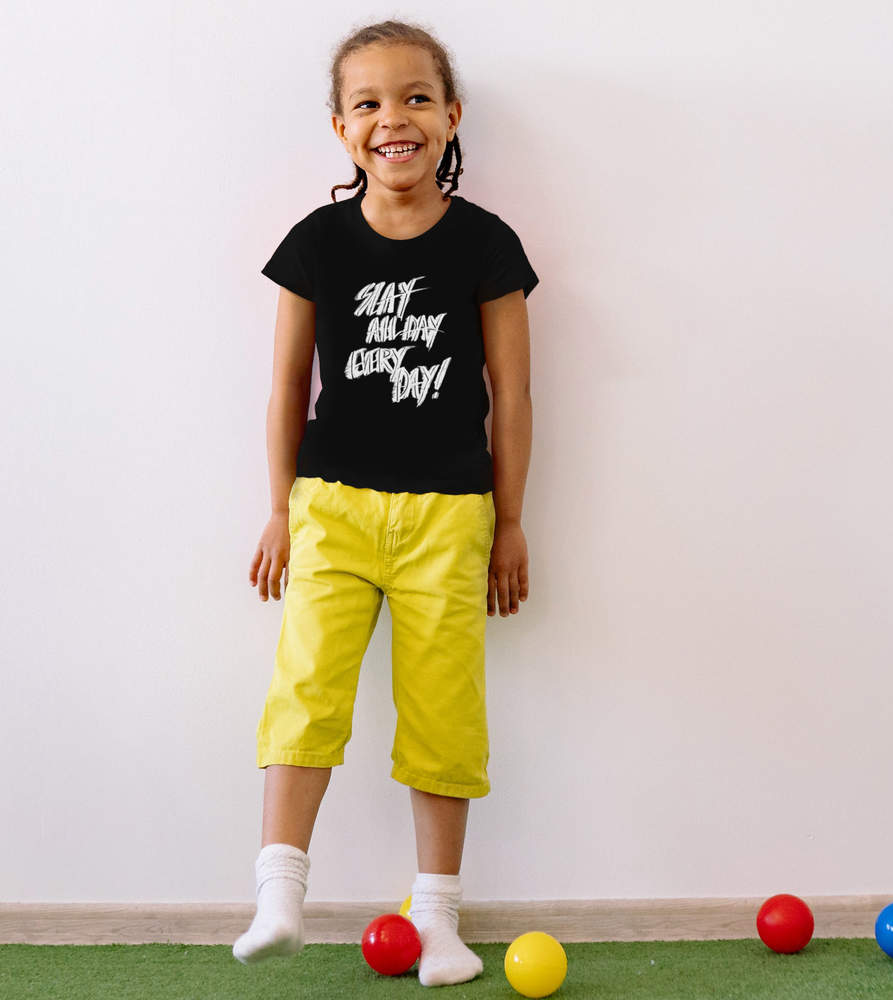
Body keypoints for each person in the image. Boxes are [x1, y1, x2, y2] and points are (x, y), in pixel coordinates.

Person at [233, 19, 538, 988]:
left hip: (451, 514)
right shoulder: (316, 243)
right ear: (341, 128)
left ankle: (438, 919)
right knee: (307, 686)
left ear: (451, 117)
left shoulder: (486, 244)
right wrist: (280, 508)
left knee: (443, 710)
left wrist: (511, 521)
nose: (392, 119)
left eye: (415, 98)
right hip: (332, 507)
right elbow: (286, 389)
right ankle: (279, 893)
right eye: (367, 103)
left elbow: (512, 393)